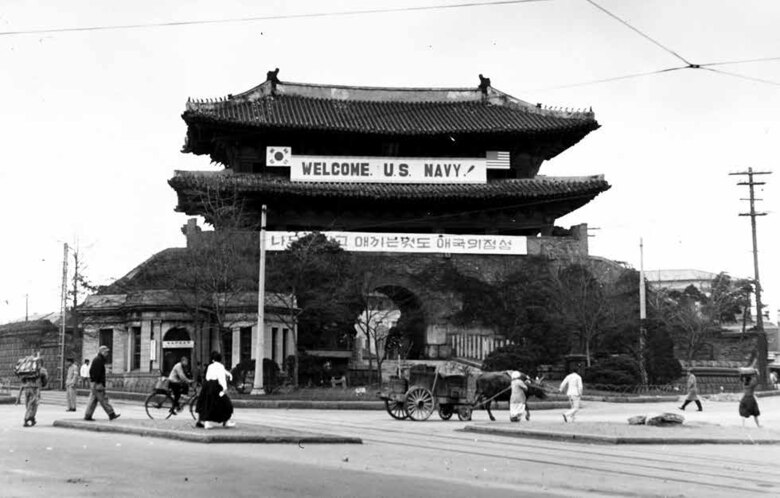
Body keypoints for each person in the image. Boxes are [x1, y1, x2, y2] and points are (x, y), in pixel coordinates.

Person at [195, 351, 235, 429]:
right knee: (226, 403)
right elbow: (221, 377)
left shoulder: (210, 366)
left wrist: (228, 374)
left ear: (213, 360)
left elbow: (207, 376)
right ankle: (226, 421)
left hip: (207, 386)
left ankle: (206, 422)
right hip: (215, 386)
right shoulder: (220, 366)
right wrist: (224, 388)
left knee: (207, 404)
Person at [84, 346, 120, 421]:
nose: (107, 353)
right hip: (98, 383)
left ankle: (88, 415)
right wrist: (98, 382)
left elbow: (92, 372)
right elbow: (96, 373)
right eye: (106, 352)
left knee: (93, 400)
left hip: (95, 383)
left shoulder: (98, 359)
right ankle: (111, 414)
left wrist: (94, 382)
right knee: (103, 399)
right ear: (102, 352)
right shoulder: (99, 360)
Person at [16, 355, 47, 427]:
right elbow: (45, 379)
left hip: (26, 389)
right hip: (35, 389)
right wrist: (42, 384)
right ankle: (26, 419)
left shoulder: (25, 370)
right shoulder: (42, 370)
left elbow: (21, 379)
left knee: (28, 404)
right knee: (33, 404)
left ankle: (32, 418)